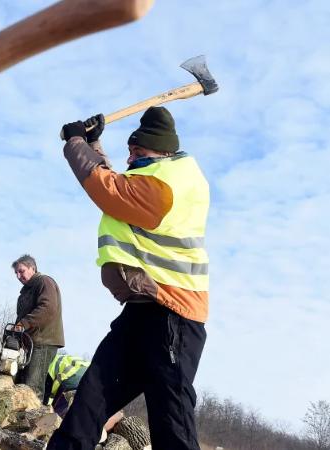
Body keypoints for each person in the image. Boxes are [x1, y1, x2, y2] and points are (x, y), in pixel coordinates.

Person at [49, 106, 209, 450]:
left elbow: (109, 189)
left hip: (172, 318)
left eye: (138, 152)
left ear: (162, 152)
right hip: (141, 312)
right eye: (130, 151)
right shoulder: (157, 177)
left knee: (171, 422)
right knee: (92, 398)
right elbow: (116, 180)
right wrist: (93, 144)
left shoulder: (166, 186)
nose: (131, 157)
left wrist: (75, 141)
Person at [12, 254, 65, 401]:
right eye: (16, 273)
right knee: (20, 385)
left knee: (32, 387)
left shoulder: (44, 282)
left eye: (21, 271)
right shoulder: (25, 292)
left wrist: (23, 324)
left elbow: (47, 308)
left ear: (32, 268)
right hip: (30, 343)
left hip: (43, 341)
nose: (18, 275)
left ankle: (31, 421)